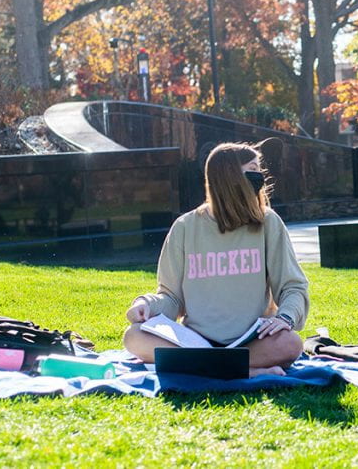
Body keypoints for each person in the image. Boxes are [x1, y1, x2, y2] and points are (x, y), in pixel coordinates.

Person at [123, 141, 309, 377]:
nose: (259, 177)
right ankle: (247, 371)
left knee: (290, 344)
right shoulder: (184, 227)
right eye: (252, 169)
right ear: (228, 177)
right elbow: (172, 298)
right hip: (194, 342)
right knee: (134, 337)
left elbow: (293, 286)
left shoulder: (268, 222)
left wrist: (286, 317)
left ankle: (207, 368)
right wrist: (145, 304)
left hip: (253, 340)